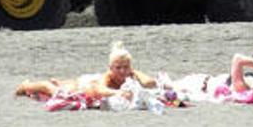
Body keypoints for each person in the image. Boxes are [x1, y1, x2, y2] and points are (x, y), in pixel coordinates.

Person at [15, 41, 155, 100]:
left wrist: (135, 72)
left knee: (60, 85)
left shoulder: (130, 73)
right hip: (84, 85)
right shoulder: (107, 77)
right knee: (54, 90)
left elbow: (150, 83)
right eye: (118, 68)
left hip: (87, 83)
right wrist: (118, 93)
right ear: (110, 69)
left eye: (126, 67)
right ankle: (25, 85)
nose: (122, 71)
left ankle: (58, 82)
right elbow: (99, 90)